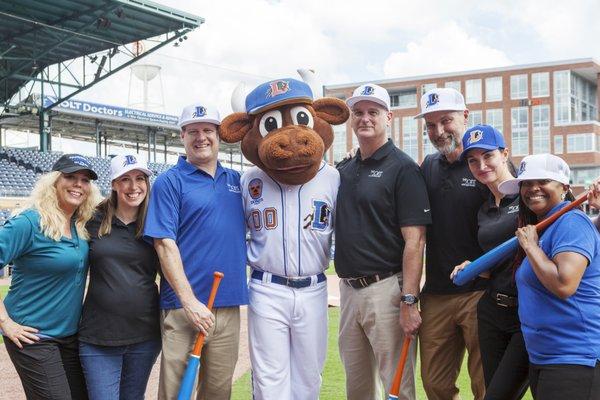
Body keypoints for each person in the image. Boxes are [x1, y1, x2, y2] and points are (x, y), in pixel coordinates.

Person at [144, 103, 248, 400]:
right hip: (182, 308)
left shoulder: (237, 182)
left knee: (218, 393)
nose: (201, 137)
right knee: (177, 392)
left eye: (207, 130)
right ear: (182, 136)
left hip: (227, 304)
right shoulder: (169, 182)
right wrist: (189, 302)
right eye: (193, 131)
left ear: (218, 135)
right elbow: (164, 244)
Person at [335, 83, 431, 400]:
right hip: (348, 292)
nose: (365, 118)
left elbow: (415, 242)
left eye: (373, 112)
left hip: (386, 290)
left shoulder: (403, 168)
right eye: (358, 112)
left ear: (388, 117)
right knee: (357, 389)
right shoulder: (344, 168)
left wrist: (408, 300)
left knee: (397, 388)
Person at [498, 153, 600, 399]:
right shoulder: (545, 228)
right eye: (526, 183)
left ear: (564, 187)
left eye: (543, 181)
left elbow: (564, 284)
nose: (533, 189)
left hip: (575, 358)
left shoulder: (571, 222)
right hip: (546, 357)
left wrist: (531, 247)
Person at [0, 154, 100, 399]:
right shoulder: (30, 222)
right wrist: (5, 323)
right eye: (70, 177)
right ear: (54, 182)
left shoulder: (79, 223)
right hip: (33, 335)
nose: (78, 184)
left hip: (68, 336)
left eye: (84, 180)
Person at [416, 88, 487, 400]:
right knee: (435, 384)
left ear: (465, 117)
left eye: (446, 120)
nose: (439, 130)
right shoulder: (427, 167)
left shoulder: (485, 165)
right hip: (436, 294)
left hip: (480, 292)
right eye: (431, 125)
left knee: (485, 384)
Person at [450, 125, 529, 400]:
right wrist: (473, 267)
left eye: (488, 156)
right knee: (492, 389)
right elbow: (498, 262)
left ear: (505, 153)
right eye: (473, 160)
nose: (481, 165)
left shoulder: (530, 194)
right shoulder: (484, 208)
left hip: (527, 312)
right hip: (492, 311)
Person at [78, 154, 160, 400]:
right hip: (98, 336)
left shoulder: (156, 222)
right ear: (113, 183)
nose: (133, 187)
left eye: (139, 179)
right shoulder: (91, 219)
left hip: (145, 335)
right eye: (125, 179)